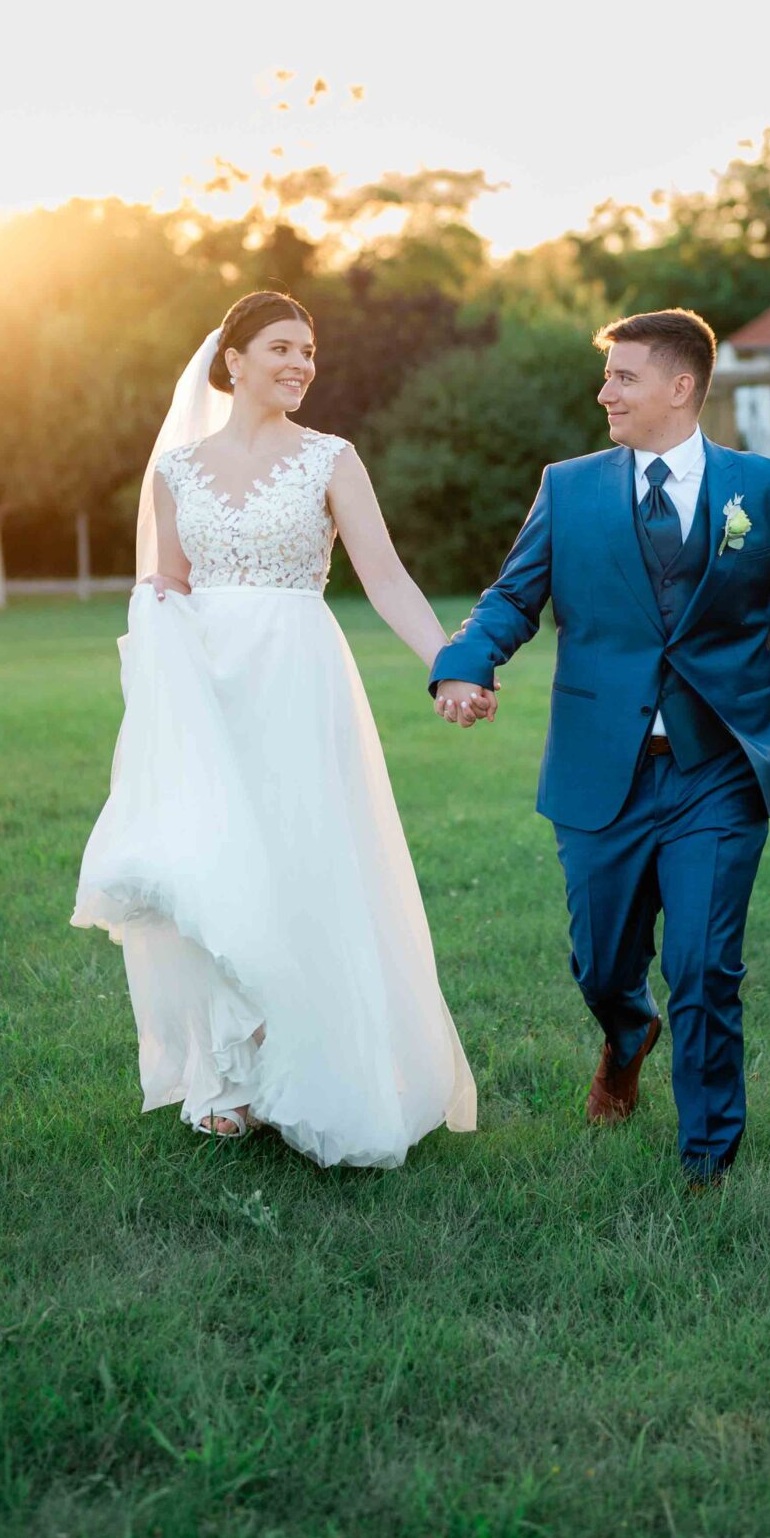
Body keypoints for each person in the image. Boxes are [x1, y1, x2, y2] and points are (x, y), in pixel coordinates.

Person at [430, 308, 770, 1189]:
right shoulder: (568, 488)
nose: (604, 393)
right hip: (599, 765)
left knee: (704, 966)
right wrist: (464, 664)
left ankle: (707, 1162)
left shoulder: (765, 489)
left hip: (718, 766)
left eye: (622, 377)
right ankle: (628, 1028)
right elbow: (512, 597)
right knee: (602, 965)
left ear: (680, 387)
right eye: (607, 377)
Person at [72, 292, 476, 1167]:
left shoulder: (330, 458)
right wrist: (158, 627)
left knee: (301, 859)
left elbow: (385, 578)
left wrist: (447, 662)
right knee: (219, 864)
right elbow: (167, 582)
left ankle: (319, 1074)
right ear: (234, 361)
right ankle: (231, 1079)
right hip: (205, 688)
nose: (300, 365)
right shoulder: (175, 470)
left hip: (296, 676)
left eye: (308, 351)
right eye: (282, 349)